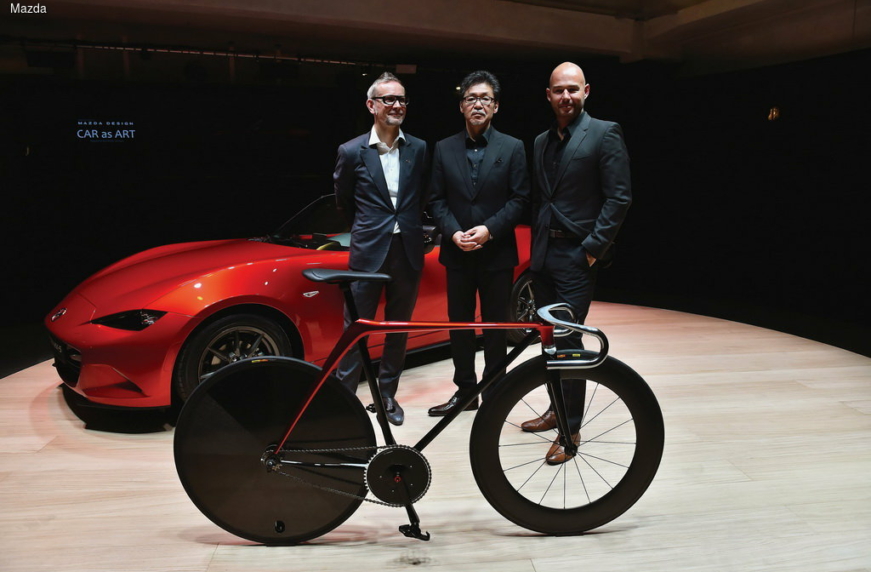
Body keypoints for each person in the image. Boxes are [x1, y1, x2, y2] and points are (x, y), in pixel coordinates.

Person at [523, 62, 632, 464]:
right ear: (548, 95)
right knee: (548, 339)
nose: (565, 96)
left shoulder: (605, 132)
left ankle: (570, 430)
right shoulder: (540, 141)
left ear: (586, 91)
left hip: (576, 255)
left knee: (569, 341)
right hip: (544, 255)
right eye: (558, 90)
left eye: (572, 89)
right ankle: (556, 409)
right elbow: (542, 199)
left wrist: (592, 249)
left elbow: (619, 197)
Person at [428, 70, 530, 416]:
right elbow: (436, 200)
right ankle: (465, 393)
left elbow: (519, 199)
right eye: (471, 98)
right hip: (456, 252)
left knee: (496, 327)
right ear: (461, 106)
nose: (478, 104)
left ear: (496, 106)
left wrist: (489, 229)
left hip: (496, 252)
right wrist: (453, 233)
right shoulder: (443, 148)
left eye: (485, 98)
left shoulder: (513, 147)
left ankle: (495, 394)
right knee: (458, 325)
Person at [333, 72, 429, 426]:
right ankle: (343, 401)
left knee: (398, 328)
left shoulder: (418, 148)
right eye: (389, 99)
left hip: (407, 249)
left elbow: (421, 196)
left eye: (401, 99)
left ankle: (387, 395)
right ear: (371, 105)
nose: (397, 105)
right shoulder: (351, 151)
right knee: (357, 328)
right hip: (368, 250)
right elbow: (344, 202)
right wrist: (370, 228)